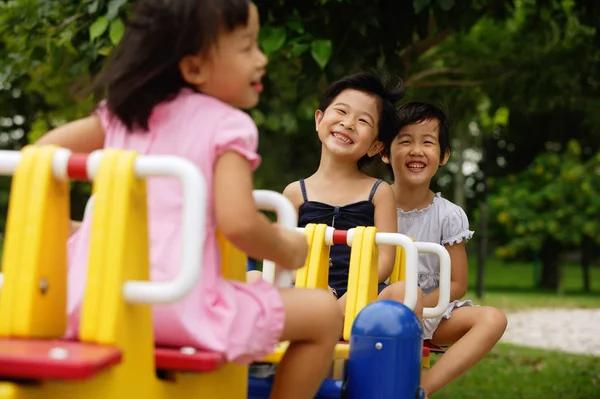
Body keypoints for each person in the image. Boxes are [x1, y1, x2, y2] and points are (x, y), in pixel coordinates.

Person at [36, 1, 343, 398]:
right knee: (323, 314)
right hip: (179, 312)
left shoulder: (121, 115)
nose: (262, 59)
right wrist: (289, 249)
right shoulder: (228, 126)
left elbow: (42, 157)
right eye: (247, 46)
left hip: (92, 304)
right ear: (195, 67)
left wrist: (74, 232)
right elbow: (240, 223)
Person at [381, 101, 508, 397]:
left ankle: (421, 391)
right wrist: (401, 304)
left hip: (430, 311)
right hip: (379, 305)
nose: (416, 150)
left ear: (444, 155)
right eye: (405, 141)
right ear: (385, 152)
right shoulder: (372, 203)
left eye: (428, 142)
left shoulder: (449, 215)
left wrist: (417, 305)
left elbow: (457, 283)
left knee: (493, 319)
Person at [281, 72, 423, 319]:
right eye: (341, 111)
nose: (347, 124)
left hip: (363, 294)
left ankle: (387, 353)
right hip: (305, 290)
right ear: (319, 119)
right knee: (252, 278)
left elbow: (386, 260)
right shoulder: (294, 193)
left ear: (376, 146)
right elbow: (284, 257)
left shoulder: (379, 192)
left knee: (407, 291)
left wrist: (354, 293)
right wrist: (311, 283)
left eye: (363, 121)